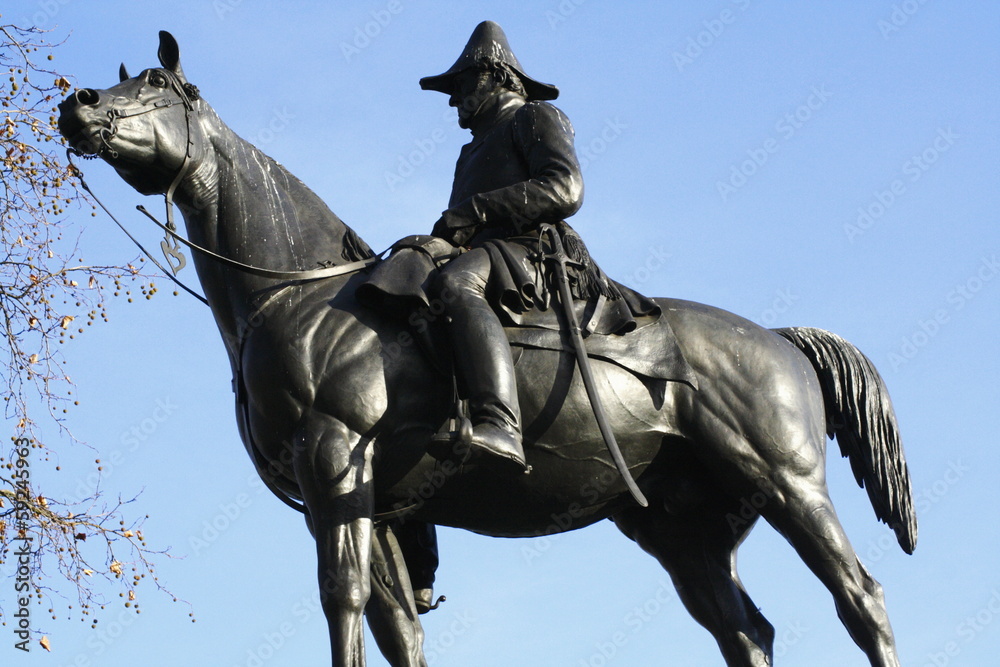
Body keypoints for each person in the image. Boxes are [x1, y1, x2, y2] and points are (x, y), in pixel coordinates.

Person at [420, 21, 589, 473]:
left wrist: (476, 210)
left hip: (530, 252)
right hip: (486, 253)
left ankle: (500, 423)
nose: (454, 98)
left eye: (462, 83)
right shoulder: (469, 152)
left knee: (456, 284)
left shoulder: (532, 117)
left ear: (494, 75)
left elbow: (564, 188)